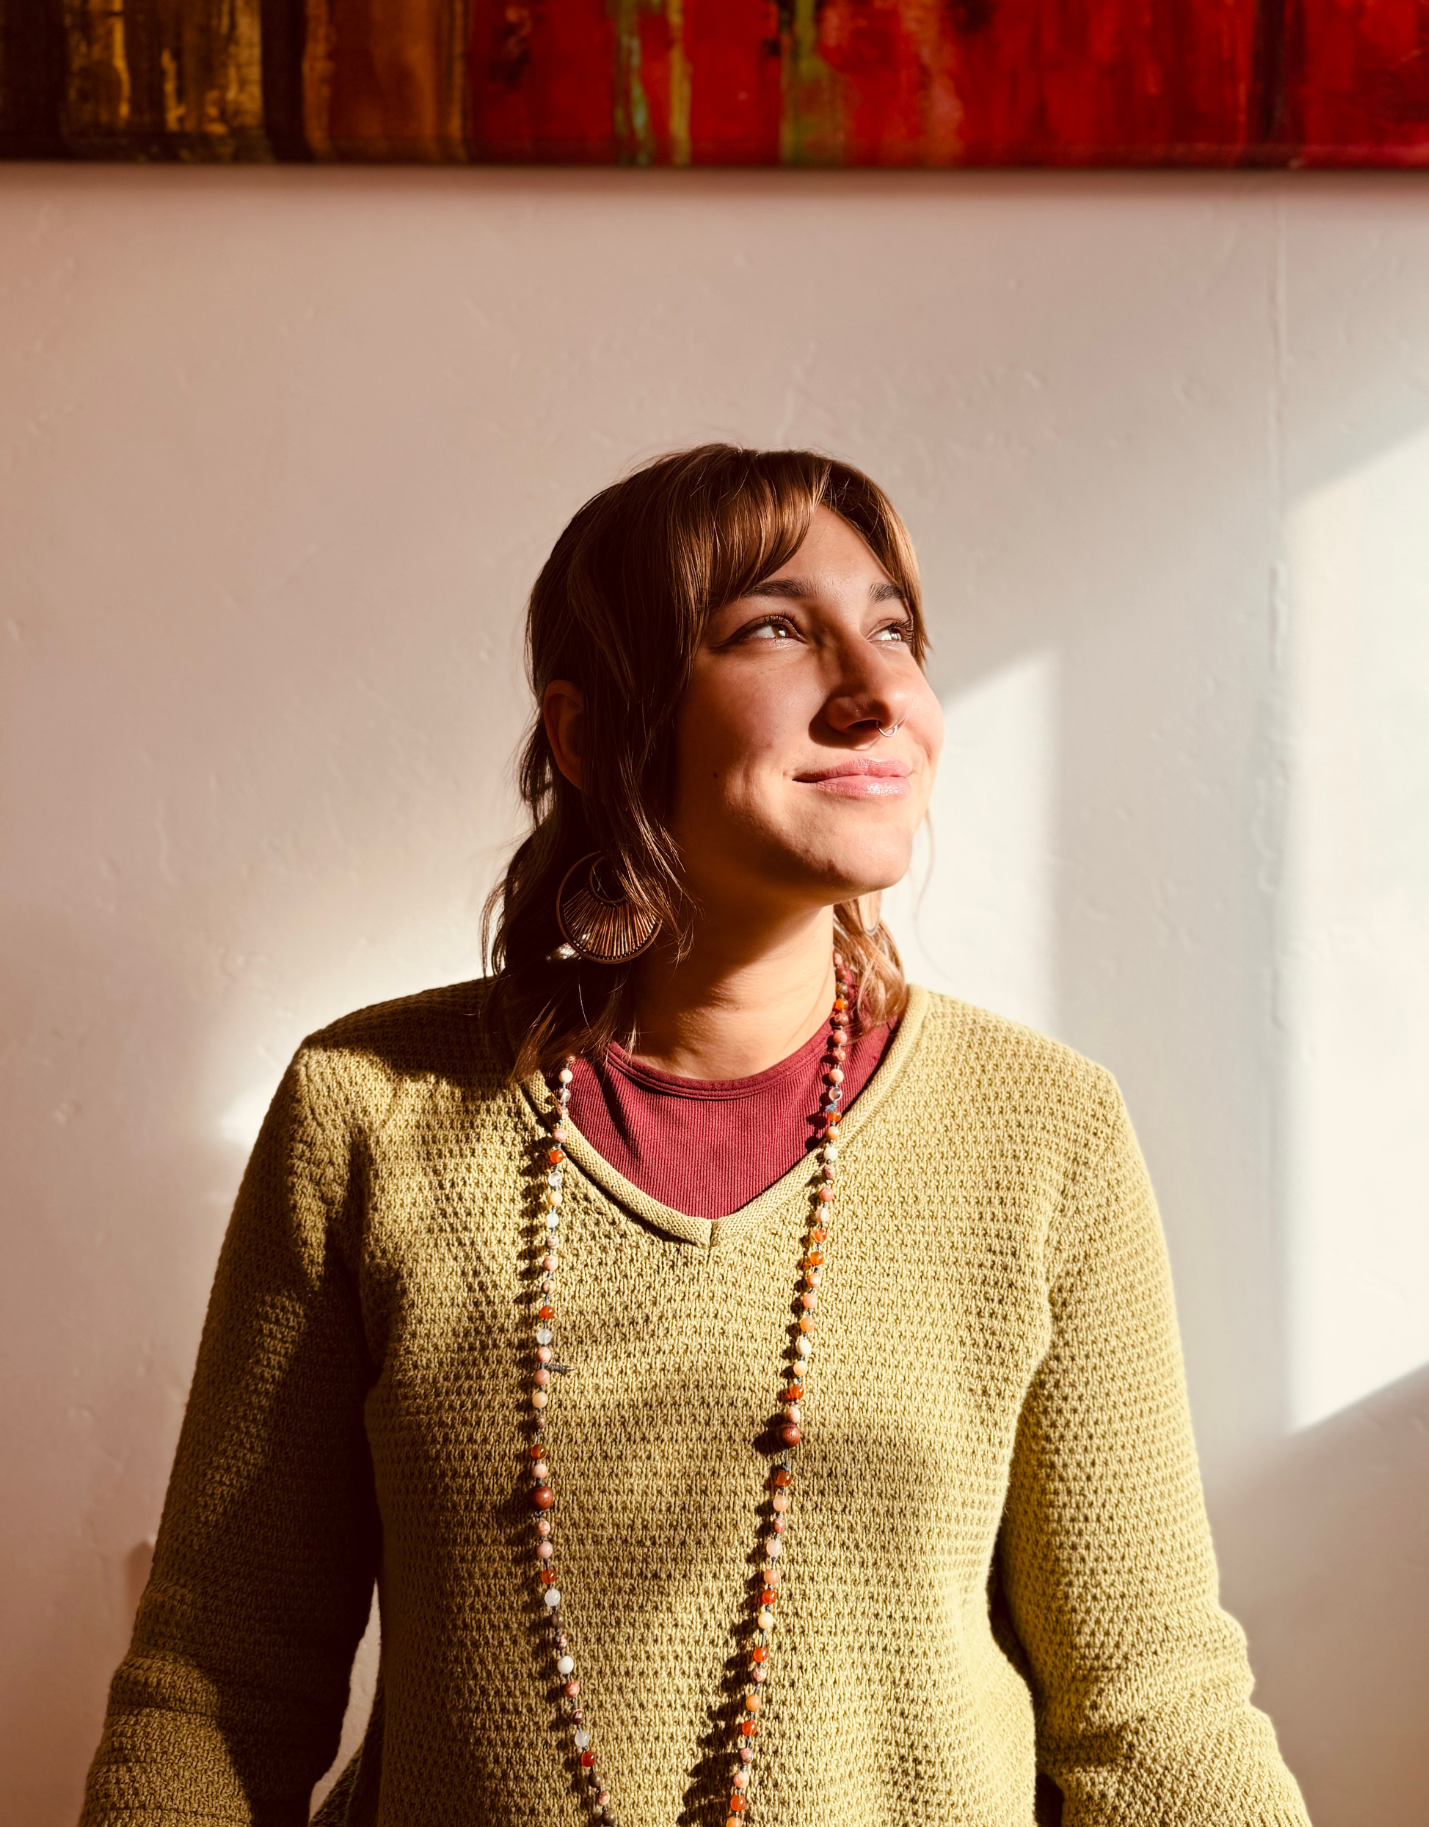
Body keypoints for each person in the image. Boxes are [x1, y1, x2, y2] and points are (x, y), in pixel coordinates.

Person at [79, 446, 1310, 1827]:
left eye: (894, 630)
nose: (877, 692)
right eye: (774, 628)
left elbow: (1153, 1713)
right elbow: (218, 1690)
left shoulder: (1044, 1135)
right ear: (591, 732)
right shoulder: (367, 1110)